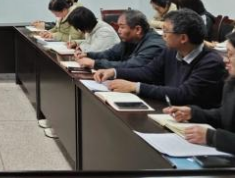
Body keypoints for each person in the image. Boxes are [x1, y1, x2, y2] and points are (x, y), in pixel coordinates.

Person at [94, 9, 227, 108]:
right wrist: (114, 72)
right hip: (172, 111)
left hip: (198, 123)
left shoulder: (211, 62)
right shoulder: (171, 51)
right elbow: (148, 72)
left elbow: (183, 94)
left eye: (166, 31)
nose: (162, 35)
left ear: (183, 38)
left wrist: (135, 87)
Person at [164, 31, 235, 155]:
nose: (225, 59)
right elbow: (225, 116)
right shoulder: (231, 83)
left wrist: (212, 136)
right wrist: (192, 113)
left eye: (230, 54)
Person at [76, 10, 166, 69]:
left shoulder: (153, 45)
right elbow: (110, 54)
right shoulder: (129, 40)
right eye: (118, 27)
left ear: (138, 29)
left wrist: (95, 63)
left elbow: (132, 66)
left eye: (122, 27)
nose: (118, 31)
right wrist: (88, 55)